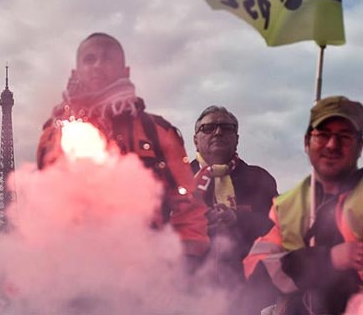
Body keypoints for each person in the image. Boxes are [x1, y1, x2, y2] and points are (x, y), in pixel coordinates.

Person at [36, 32, 209, 257]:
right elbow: (47, 181)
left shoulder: (157, 131)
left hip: (147, 262)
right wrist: (72, 113)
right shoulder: (56, 129)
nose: (98, 65)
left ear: (124, 71)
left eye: (107, 58)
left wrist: (187, 256)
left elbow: (188, 203)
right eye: (90, 59)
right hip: (75, 264)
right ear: (75, 73)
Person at [243, 96, 363, 315]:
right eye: (323, 135)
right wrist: (328, 259)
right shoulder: (288, 207)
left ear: (359, 145)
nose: (332, 144)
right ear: (307, 143)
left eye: (344, 136)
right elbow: (256, 272)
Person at [191, 105, 277, 283]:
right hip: (186, 291)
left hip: (249, 291)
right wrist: (194, 222)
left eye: (226, 128)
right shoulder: (178, 178)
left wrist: (238, 219)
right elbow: (155, 230)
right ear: (195, 140)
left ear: (236, 139)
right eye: (208, 128)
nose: (217, 132)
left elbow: (277, 229)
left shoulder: (259, 178)